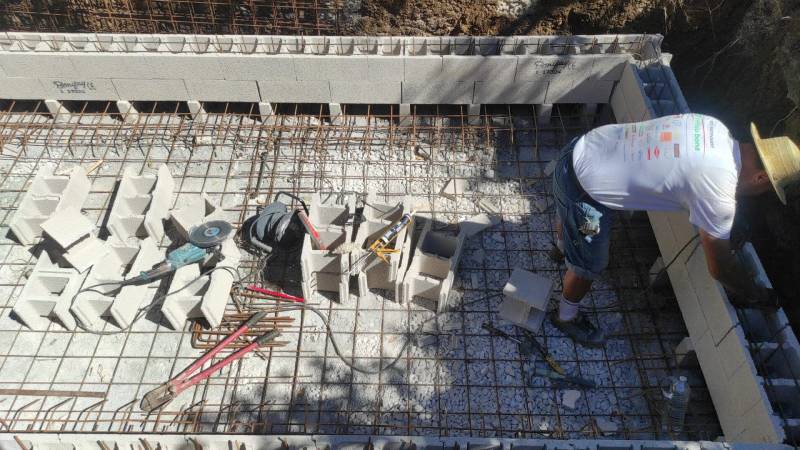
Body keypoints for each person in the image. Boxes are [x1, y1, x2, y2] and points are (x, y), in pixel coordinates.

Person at [549, 113, 800, 348]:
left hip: (580, 149)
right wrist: (756, 294)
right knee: (590, 263)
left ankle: (561, 249)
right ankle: (565, 317)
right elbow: (720, 267)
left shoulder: (713, 127)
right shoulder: (719, 193)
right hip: (583, 193)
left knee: (568, 214)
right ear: (761, 179)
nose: (760, 195)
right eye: (767, 190)